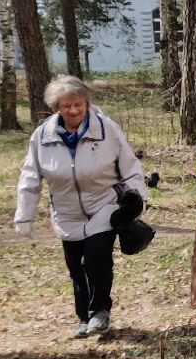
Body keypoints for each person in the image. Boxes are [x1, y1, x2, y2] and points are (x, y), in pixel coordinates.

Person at [15, 76, 148, 337]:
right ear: (56, 107)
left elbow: (131, 167)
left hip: (104, 205)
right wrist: (24, 215)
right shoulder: (42, 136)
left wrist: (137, 199)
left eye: (78, 104)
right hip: (66, 212)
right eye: (67, 106)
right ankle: (83, 318)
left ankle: (100, 312)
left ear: (87, 103)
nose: (73, 110)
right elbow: (30, 176)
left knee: (96, 259)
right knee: (76, 268)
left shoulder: (107, 130)